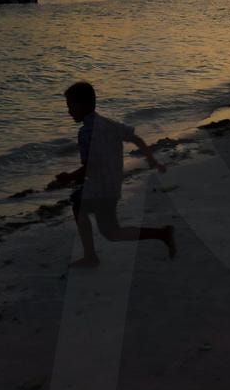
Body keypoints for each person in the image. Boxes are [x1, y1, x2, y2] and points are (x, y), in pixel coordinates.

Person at [54, 82, 175, 268]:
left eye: (71, 106)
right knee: (111, 232)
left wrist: (68, 177)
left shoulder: (86, 132)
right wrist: (151, 158)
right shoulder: (108, 123)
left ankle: (90, 256)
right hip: (112, 186)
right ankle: (161, 234)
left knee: (83, 209)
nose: (69, 111)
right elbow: (136, 138)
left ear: (84, 105)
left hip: (101, 188)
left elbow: (91, 167)